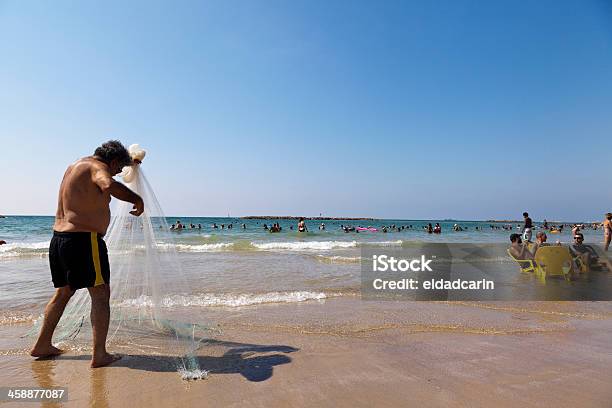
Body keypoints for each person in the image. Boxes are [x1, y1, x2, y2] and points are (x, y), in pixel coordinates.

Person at [30, 140, 144, 368]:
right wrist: (136, 199)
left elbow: (107, 176)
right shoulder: (97, 168)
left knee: (63, 293)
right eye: (119, 169)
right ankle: (100, 354)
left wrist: (133, 162)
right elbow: (107, 184)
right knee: (101, 295)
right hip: (84, 241)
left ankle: (42, 344)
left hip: (60, 240)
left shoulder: (75, 166)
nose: (119, 173)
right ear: (112, 162)